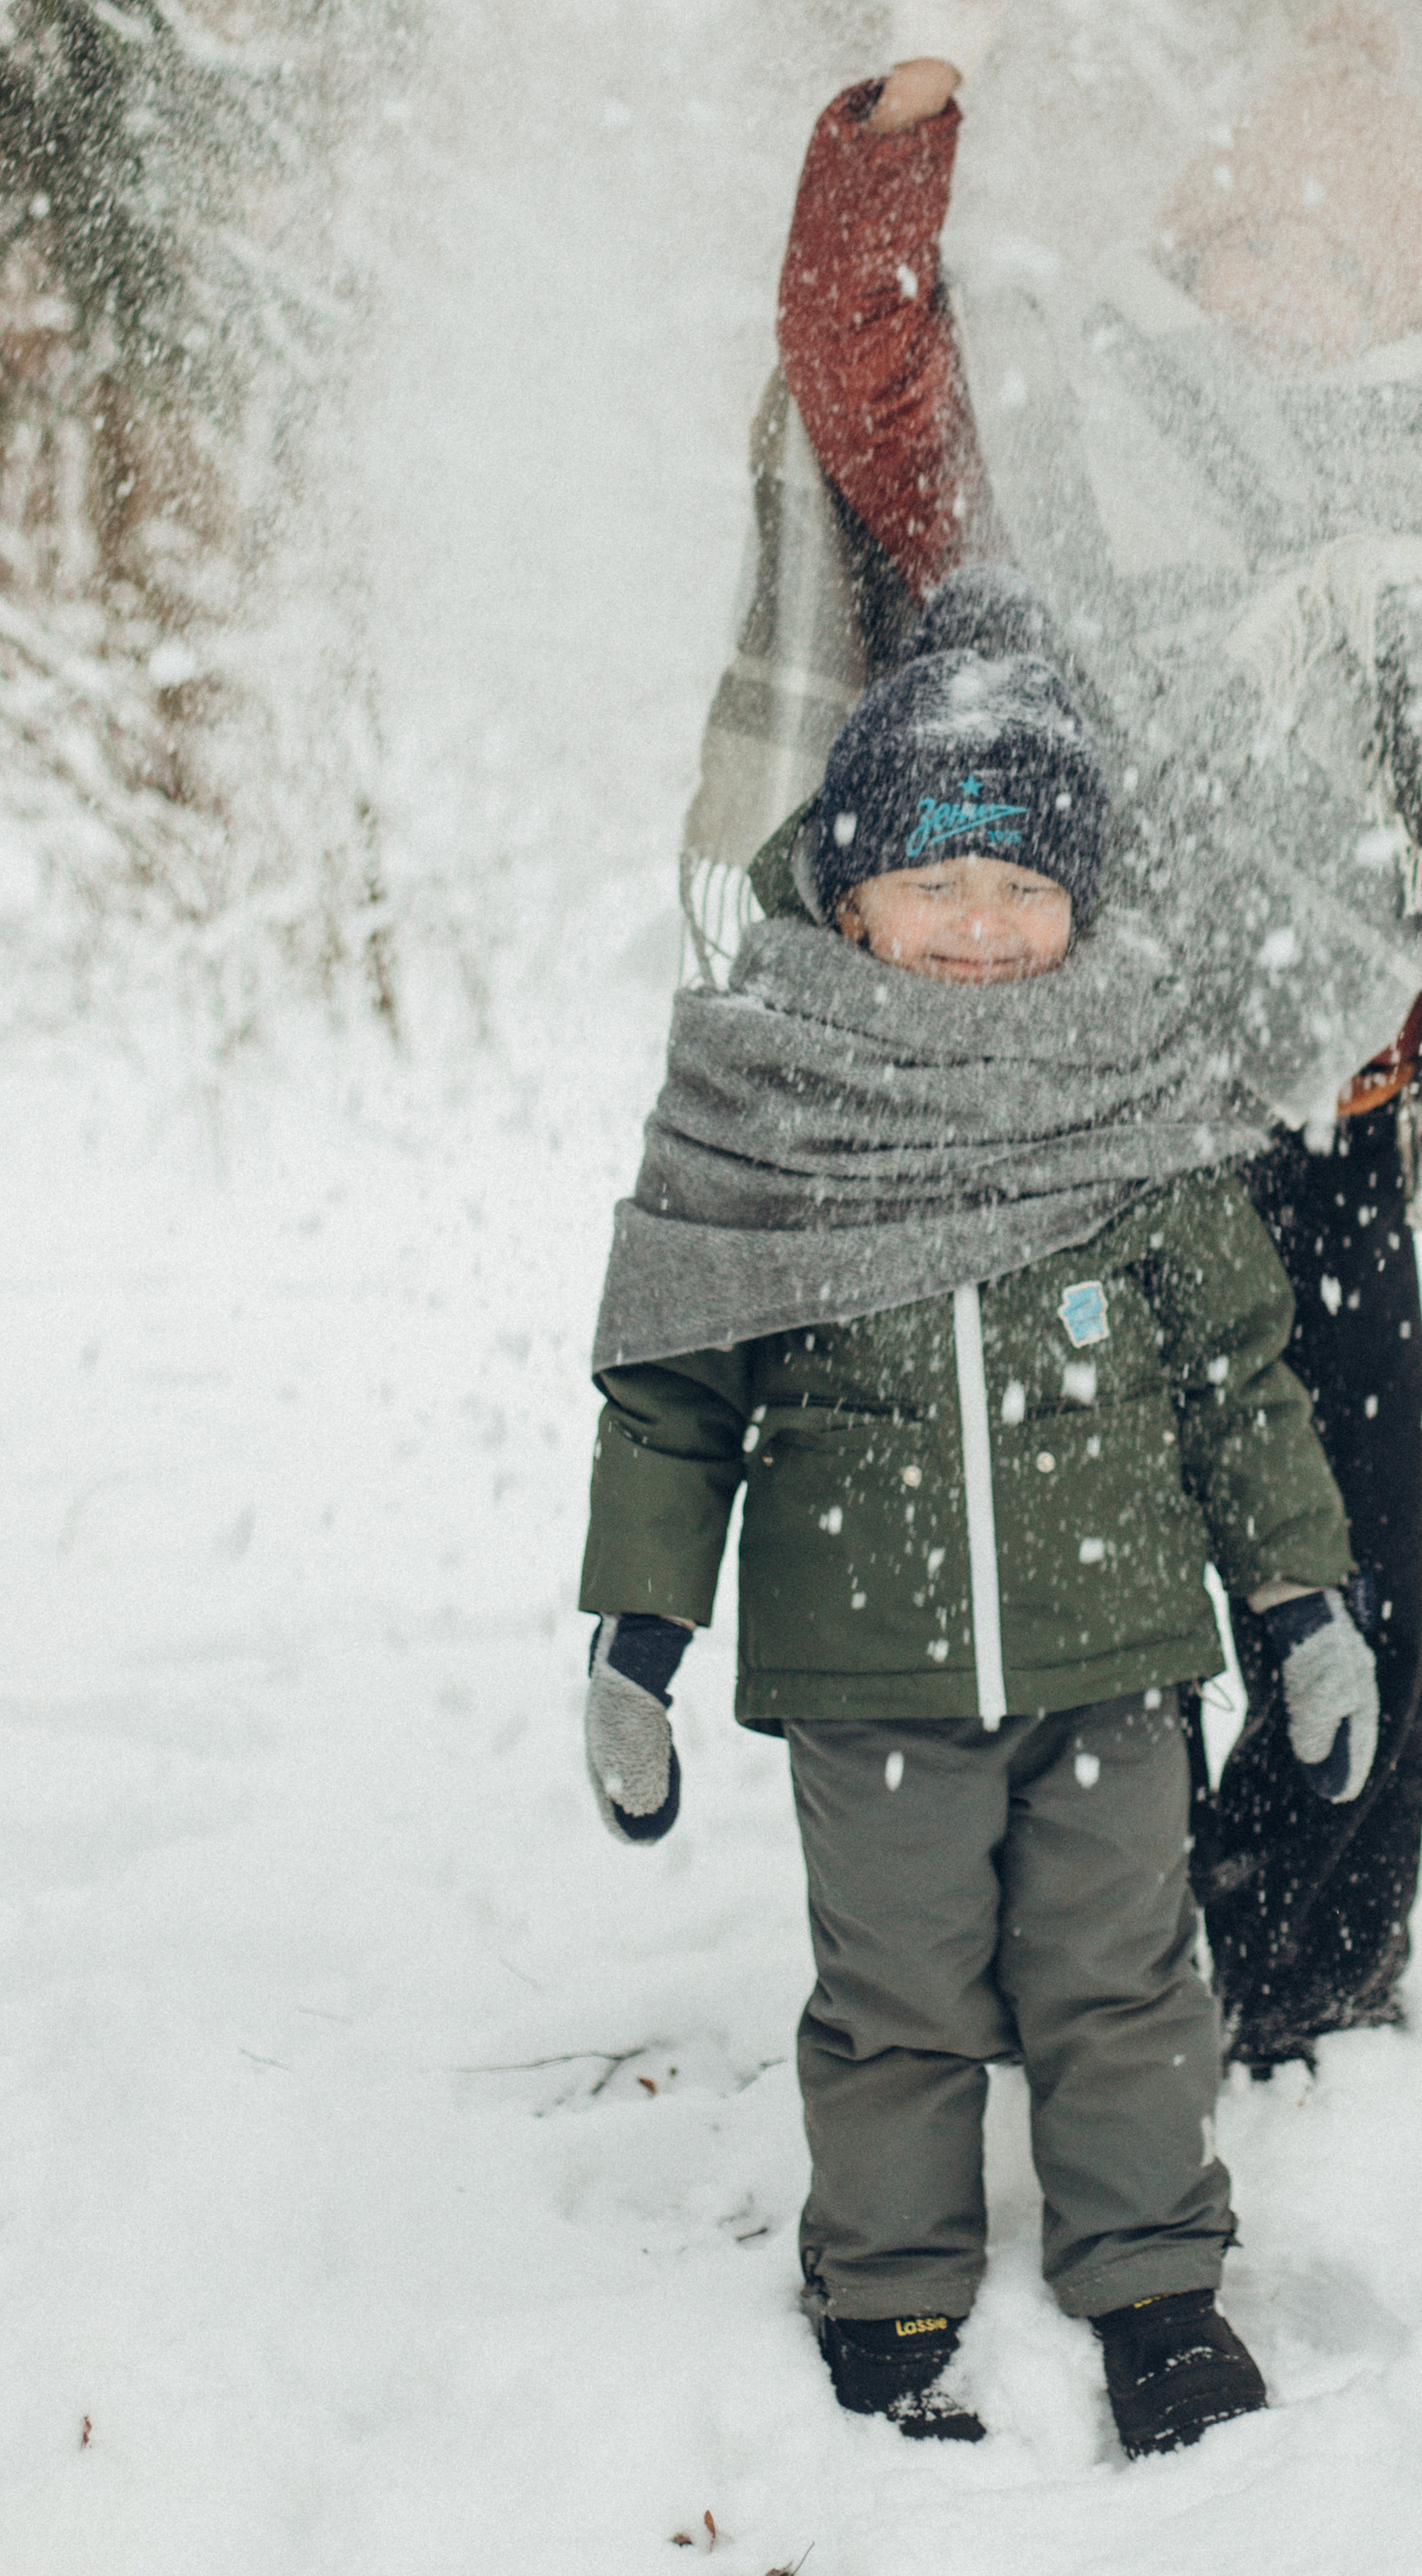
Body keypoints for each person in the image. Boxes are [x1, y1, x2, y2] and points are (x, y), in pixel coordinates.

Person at [681, 0, 1422, 2071]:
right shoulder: (1064, 437)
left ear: (1404, 301)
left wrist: (1387, 945)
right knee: (1086, 1564)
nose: (1283, 288)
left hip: (1319, 1131)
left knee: (1345, 1557)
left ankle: (1307, 1978)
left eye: (1335, 262)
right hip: (1071, 1117)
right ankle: (1082, 1962)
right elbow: (859, 357)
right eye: (1249, 242)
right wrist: (916, 100)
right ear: (1192, 251)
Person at [579, 608, 1380, 2456]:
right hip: (870, 1679)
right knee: (897, 2001)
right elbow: (677, 1395)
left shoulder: (1138, 1088)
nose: (982, 923)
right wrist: (638, 1638)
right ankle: (890, 2292)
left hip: (1116, 1664)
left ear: (1081, 905)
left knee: (1125, 1985)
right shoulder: (771, 1099)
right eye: (937, 880)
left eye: (1025, 885)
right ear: (852, 896)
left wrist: (1302, 1599)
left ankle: (1156, 2286)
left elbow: (1241, 1379)